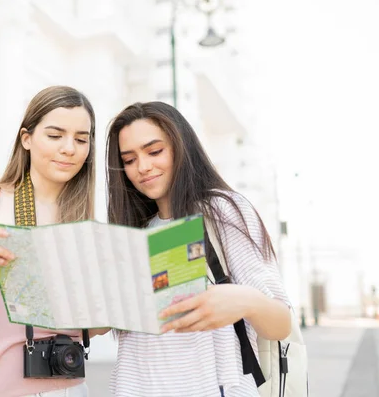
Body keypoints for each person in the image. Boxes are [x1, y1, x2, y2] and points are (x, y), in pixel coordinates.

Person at [0, 86, 108, 397]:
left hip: (70, 390)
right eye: (55, 135)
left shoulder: (87, 225)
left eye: (81, 139)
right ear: (26, 138)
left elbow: (93, 329)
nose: (69, 148)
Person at [106, 102, 292, 397]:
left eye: (155, 151)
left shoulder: (221, 211)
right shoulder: (133, 234)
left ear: (181, 148)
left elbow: (281, 323)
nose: (142, 167)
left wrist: (245, 300)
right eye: (129, 160)